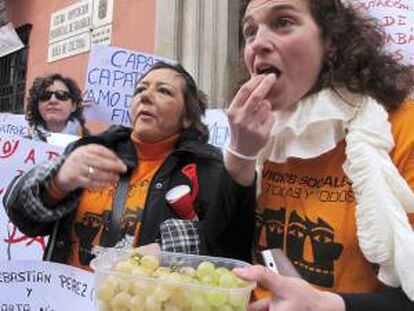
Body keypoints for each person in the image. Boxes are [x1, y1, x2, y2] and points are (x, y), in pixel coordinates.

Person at [223, 0, 414, 310]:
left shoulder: (403, 126)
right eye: (249, 31)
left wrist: (329, 305)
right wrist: (240, 156)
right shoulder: (256, 132)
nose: (258, 43)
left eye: (283, 22)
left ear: (331, 41)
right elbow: (223, 258)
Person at [3, 61, 251, 269]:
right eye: (140, 90)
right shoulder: (90, 150)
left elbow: (228, 244)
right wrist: (57, 182)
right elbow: (19, 212)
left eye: (163, 91)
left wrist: (166, 249)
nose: (145, 95)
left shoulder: (208, 168)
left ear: (188, 115)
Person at [25, 73, 90, 141]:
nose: (53, 100)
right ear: (37, 105)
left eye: (61, 95)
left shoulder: (91, 146)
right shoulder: (21, 144)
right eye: (45, 95)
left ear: (73, 106)